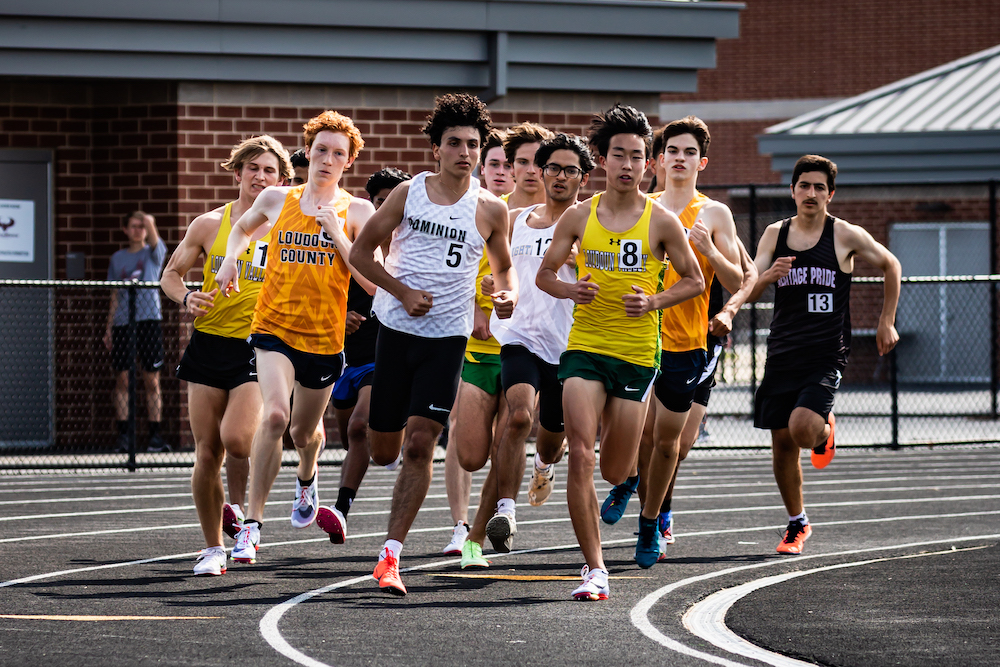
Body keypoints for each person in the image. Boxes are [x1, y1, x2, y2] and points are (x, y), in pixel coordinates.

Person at [350, 93, 517, 596]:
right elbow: (360, 252)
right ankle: (386, 447)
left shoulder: (490, 208)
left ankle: (390, 555)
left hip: (448, 339)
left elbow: (504, 267)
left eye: (473, 143)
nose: (465, 152)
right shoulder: (408, 194)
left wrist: (504, 296)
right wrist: (400, 291)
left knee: (421, 444)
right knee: (384, 448)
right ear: (436, 149)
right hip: (396, 332)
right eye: (454, 143)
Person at [536, 104, 703, 600]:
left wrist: (654, 299)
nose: (627, 165)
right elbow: (546, 274)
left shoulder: (662, 221)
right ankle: (595, 570)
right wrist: (570, 291)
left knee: (614, 467)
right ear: (602, 160)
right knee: (581, 455)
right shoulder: (579, 216)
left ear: (647, 163)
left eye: (636, 156)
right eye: (618, 155)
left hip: (635, 354)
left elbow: (694, 281)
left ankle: (631, 492)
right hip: (586, 347)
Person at [215, 110, 377, 564]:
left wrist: (337, 235)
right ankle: (252, 526)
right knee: (274, 416)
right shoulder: (275, 197)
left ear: (349, 162)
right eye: (320, 150)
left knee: (306, 431)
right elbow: (242, 229)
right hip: (273, 328)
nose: (327, 159)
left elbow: (372, 283)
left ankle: (307, 479)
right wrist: (231, 257)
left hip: (324, 340)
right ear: (307, 153)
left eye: (337, 154)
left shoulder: (357, 211)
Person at [749, 154, 900, 555]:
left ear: (830, 194)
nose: (811, 193)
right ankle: (797, 523)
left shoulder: (844, 235)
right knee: (782, 444)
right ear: (793, 191)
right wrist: (767, 276)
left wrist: (886, 320)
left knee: (802, 429)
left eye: (819, 187)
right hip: (782, 353)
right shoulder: (774, 235)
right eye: (804, 186)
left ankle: (824, 429)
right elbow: (751, 282)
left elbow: (891, 264)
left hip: (824, 355)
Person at [458, 133, 594, 568]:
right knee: (518, 416)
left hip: (569, 347)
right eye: (550, 167)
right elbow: (499, 273)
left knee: (553, 441)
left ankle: (543, 467)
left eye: (568, 169)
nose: (556, 175)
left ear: (582, 178)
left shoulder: (589, 226)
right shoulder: (515, 219)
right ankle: (505, 512)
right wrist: (490, 288)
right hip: (517, 337)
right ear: (539, 170)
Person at [161, 135, 292, 576]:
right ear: (237, 173)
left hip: (259, 345)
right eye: (253, 168)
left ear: (281, 180)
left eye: (269, 170)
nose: (260, 176)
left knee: (238, 438)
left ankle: (244, 512)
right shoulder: (208, 224)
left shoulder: (286, 227)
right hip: (209, 343)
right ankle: (213, 546)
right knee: (206, 451)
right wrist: (187, 299)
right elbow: (172, 275)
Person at [626, 117, 745, 569]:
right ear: (658, 159)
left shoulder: (714, 213)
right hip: (638, 336)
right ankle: (637, 498)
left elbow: (737, 280)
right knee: (641, 435)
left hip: (689, 340)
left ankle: (653, 518)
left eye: (689, 152)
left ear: (702, 162)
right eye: (672, 150)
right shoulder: (642, 205)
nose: (679, 158)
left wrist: (711, 252)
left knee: (672, 441)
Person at [444, 122, 553, 558]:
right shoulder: (491, 213)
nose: (527, 170)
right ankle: (523, 479)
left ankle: (482, 531)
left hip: (530, 347)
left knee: (515, 427)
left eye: (535, 161)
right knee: (471, 453)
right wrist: (477, 309)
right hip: (481, 347)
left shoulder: (568, 217)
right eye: (519, 162)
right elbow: (458, 274)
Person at [315, 167, 412, 545]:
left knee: (358, 426)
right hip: (344, 358)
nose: (384, 208)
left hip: (382, 355)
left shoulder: (405, 248)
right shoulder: (354, 239)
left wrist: (338, 234)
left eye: (392, 201)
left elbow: (375, 285)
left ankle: (340, 507)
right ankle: (384, 447)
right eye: (378, 201)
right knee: (344, 435)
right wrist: (340, 320)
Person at [441, 128, 512, 556]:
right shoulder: (470, 210)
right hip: (472, 347)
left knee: (510, 435)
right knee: (466, 446)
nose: (503, 172)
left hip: (521, 350)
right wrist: (475, 309)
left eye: (512, 164)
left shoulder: (537, 217)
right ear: (482, 168)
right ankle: (459, 523)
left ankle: (484, 526)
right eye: (497, 165)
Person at [104, 211, 168, 453]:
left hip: (148, 320)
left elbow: (154, 237)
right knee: (122, 378)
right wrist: (109, 327)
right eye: (133, 226)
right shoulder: (117, 258)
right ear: (125, 229)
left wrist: (148, 219)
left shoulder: (153, 254)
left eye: (142, 226)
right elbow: (114, 296)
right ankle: (123, 436)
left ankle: (155, 436)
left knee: (151, 379)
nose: (138, 230)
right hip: (123, 323)